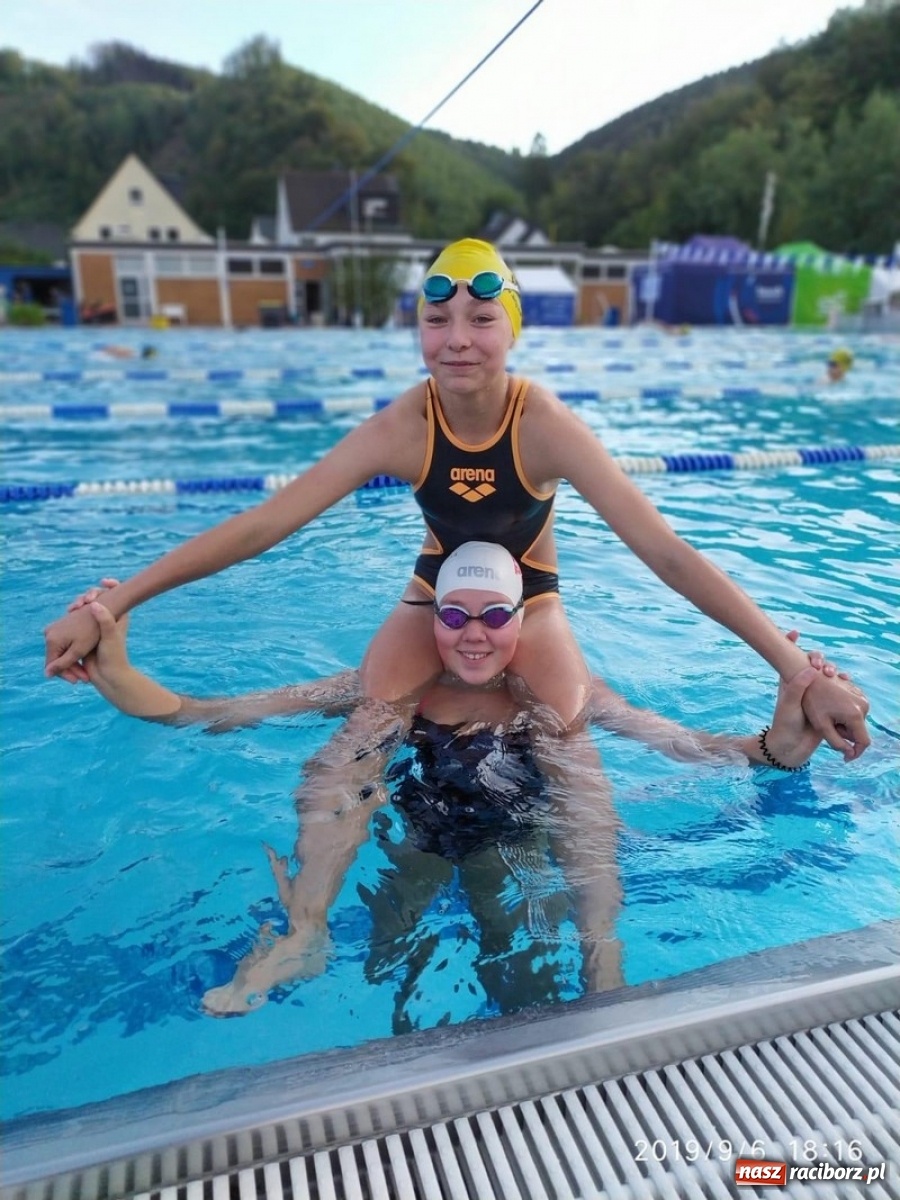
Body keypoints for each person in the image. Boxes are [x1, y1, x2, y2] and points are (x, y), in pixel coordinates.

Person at [44, 238, 869, 758]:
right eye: (438, 320)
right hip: (431, 596)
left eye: (481, 318)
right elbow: (266, 523)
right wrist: (118, 602)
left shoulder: (543, 425)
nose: (458, 339)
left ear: (512, 328)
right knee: (357, 740)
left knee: (572, 752)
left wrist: (796, 668)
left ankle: (605, 957)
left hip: (531, 604)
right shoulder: (404, 426)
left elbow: (666, 553)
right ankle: (304, 929)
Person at [81, 543, 826, 1017]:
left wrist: (780, 740)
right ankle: (307, 930)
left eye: (495, 615)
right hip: (418, 847)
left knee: (525, 996)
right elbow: (213, 715)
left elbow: (692, 746)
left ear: (521, 621)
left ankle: (603, 954)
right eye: (454, 615)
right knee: (389, 980)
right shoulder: (385, 690)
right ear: (431, 618)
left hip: (518, 852)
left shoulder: (564, 696)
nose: (473, 634)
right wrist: (116, 670)